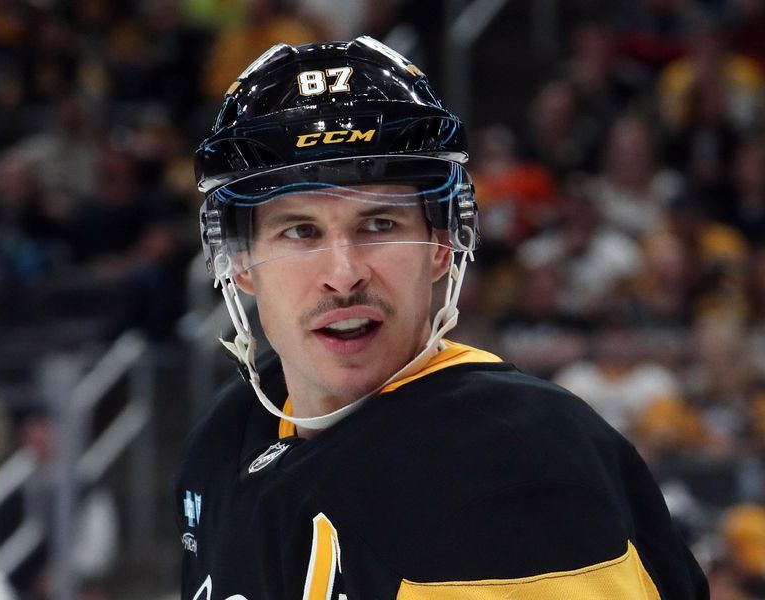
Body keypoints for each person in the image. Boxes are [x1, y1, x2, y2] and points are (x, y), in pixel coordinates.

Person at [176, 36, 708, 599]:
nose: (344, 272)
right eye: (301, 231)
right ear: (239, 265)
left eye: (380, 224)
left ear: (441, 245)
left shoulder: (514, 462)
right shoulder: (226, 437)